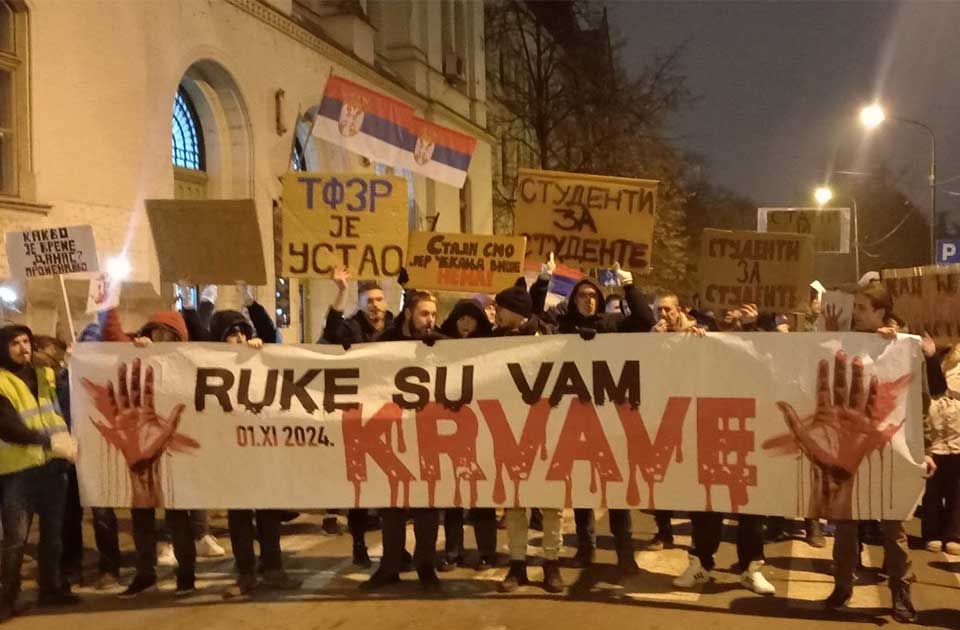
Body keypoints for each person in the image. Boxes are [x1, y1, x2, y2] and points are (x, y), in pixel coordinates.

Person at [807, 284, 934, 622]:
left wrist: (925, 449)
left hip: (889, 449)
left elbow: (920, 403)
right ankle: (842, 586)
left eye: (862, 308)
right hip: (849, 447)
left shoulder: (903, 347)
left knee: (893, 528)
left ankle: (901, 591)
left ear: (881, 311)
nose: (856, 314)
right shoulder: (845, 340)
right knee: (846, 525)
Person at [543, 264, 654, 575]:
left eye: (593, 295)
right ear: (574, 299)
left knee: (616, 489)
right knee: (582, 488)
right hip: (576, 418)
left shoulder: (613, 324)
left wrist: (629, 286)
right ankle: (585, 548)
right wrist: (543, 282)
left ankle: (625, 553)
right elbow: (534, 318)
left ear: (600, 300)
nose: (588, 300)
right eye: (582, 295)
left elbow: (645, 320)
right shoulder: (564, 325)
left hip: (611, 418)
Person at [100, 308, 201, 598]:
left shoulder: (188, 361)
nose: (162, 340)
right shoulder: (135, 352)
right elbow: (111, 336)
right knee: (141, 516)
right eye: (157, 333)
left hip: (176, 452)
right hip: (140, 445)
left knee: (178, 517)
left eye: (169, 336)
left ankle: (186, 573)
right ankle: (145, 573)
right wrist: (109, 302)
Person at [207, 308, 302, 599]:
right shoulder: (209, 363)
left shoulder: (259, 357)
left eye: (242, 332)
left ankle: (273, 567)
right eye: (232, 334)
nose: (239, 338)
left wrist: (261, 351)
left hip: (261, 449)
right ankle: (246, 572)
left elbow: (272, 340)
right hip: (232, 453)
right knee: (239, 517)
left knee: (268, 513)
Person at [361, 290, 446, 592]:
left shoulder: (442, 344)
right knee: (392, 506)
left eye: (433, 315)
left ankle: (426, 566)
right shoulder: (385, 342)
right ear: (409, 313)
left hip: (427, 434)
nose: (430, 320)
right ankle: (390, 566)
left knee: (427, 505)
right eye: (424, 314)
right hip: (393, 432)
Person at [0, 324, 79, 619]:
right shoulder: (1, 383)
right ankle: (7, 598)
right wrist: (50, 441)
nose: (24, 348)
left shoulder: (44, 375)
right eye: (15, 343)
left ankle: (51, 587)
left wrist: (79, 359)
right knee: (16, 539)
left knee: (52, 535)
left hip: (53, 467)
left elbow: (69, 392)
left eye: (26, 341)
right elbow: (7, 427)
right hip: (18, 472)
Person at [492, 280, 564, 593]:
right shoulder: (493, 339)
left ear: (515, 311)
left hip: (547, 427)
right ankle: (517, 564)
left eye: (501, 307)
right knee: (515, 501)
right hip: (510, 428)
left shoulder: (549, 335)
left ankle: (551, 563)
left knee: (551, 501)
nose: (496, 313)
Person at [321, 267, 394, 567]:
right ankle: (359, 544)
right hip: (359, 414)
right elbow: (331, 333)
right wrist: (341, 291)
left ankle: (394, 548)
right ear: (361, 305)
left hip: (390, 414)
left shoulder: (395, 327)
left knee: (392, 483)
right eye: (369, 301)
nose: (375, 305)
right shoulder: (351, 328)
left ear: (386, 303)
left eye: (378, 299)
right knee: (360, 483)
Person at [437, 299, 497, 571]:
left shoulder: (492, 345)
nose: (465, 323)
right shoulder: (439, 345)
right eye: (460, 318)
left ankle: (487, 552)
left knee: (482, 495)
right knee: (453, 496)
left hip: (482, 427)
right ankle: (453, 550)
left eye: (471, 318)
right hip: (450, 428)